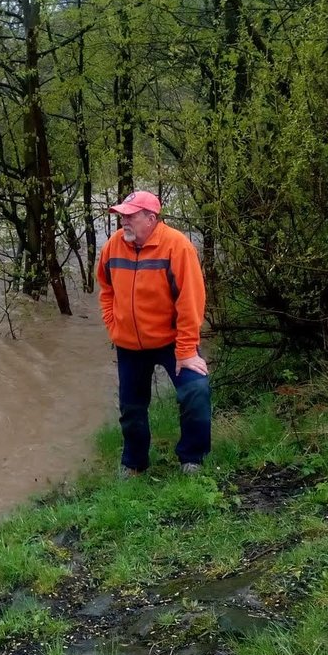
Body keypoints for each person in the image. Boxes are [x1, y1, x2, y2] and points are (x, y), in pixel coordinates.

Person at [96, 190, 211, 476]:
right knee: (131, 408)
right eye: (122, 216)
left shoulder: (177, 247)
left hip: (172, 342)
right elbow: (106, 289)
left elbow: (191, 301)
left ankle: (192, 459)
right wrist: (114, 325)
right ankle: (134, 463)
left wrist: (185, 350)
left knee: (196, 390)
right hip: (129, 344)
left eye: (130, 216)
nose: (124, 221)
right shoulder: (113, 246)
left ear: (151, 218)